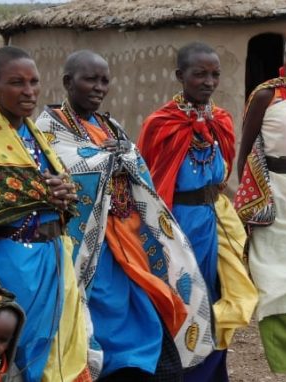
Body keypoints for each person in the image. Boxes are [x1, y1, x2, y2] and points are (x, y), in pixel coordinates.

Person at [35, 49, 214, 381]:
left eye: (104, 80)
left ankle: (136, 367)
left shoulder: (110, 124)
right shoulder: (48, 128)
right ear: (67, 82)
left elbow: (138, 166)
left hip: (128, 239)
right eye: (90, 79)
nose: (99, 87)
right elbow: (65, 167)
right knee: (100, 308)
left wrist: (126, 157)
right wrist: (106, 160)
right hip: (89, 244)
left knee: (144, 305)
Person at [0, 46, 90, 382]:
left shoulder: (32, 134)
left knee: (51, 348)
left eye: (34, 82)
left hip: (52, 257)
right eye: (16, 83)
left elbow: (51, 186)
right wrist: (41, 193)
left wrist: (63, 193)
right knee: (8, 348)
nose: (28, 91)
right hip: (12, 262)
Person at [138, 42, 257, 382]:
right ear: (180, 76)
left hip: (212, 222)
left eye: (215, 75)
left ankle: (211, 375)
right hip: (175, 224)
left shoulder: (220, 121)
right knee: (183, 300)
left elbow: (223, 173)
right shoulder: (161, 124)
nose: (208, 82)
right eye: (199, 74)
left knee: (216, 298)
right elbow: (149, 180)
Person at [234, 25, 286, 382]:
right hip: (279, 207)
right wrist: (255, 203)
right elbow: (246, 154)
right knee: (281, 291)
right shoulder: (267, 96)